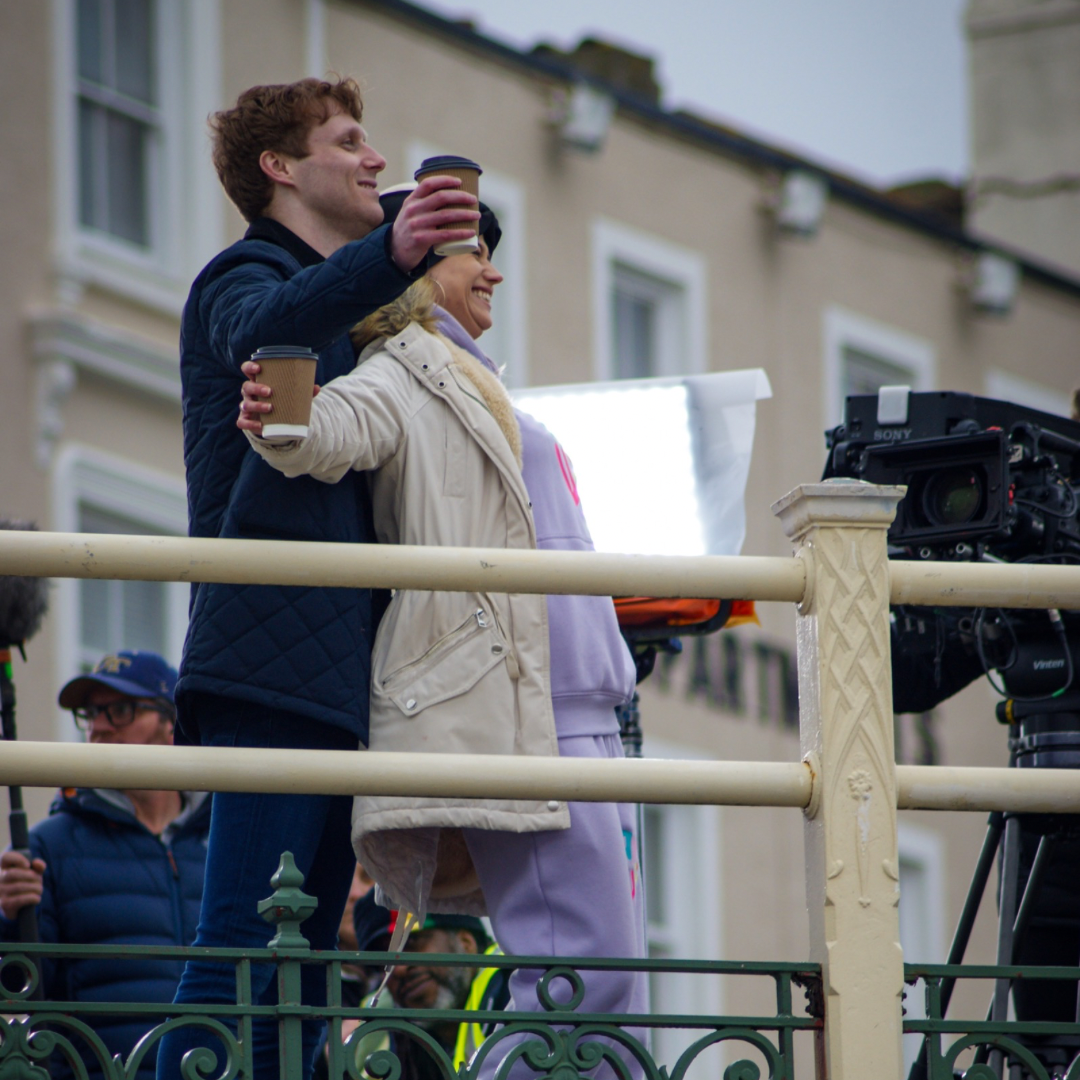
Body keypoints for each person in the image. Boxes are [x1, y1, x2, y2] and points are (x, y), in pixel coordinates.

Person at [239, 189, 647, 1079]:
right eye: (473, 254)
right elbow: (325, 431)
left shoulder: (475, 379)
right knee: (582, 983)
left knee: (615, 988)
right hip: (517, 711)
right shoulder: (403, 368)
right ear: (420, 273)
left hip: (574, 706)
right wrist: (283, 405)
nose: (493, 269)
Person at [158, 76, 479, 1080]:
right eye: (349, 142)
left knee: (295, 962)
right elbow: (265, 330)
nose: (374, 161)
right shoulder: (239, 275)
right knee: (246, 946)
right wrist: (390, 253)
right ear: (281, 169)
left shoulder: (348, 301)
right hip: (268, 656)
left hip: (332, 663)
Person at [0, 651, 209, 1080]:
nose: (98, 727)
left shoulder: (222, 841)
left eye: (120, 710)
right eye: (92, 713)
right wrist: (6, 917)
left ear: (172, 725)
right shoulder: (50, 845)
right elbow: (23, 989)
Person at [341, 890, 510, 1080]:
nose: (398, 970)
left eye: (412, 944)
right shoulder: (404, 1040)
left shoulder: (511, 986)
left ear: (466, 943)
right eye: (383, 963)